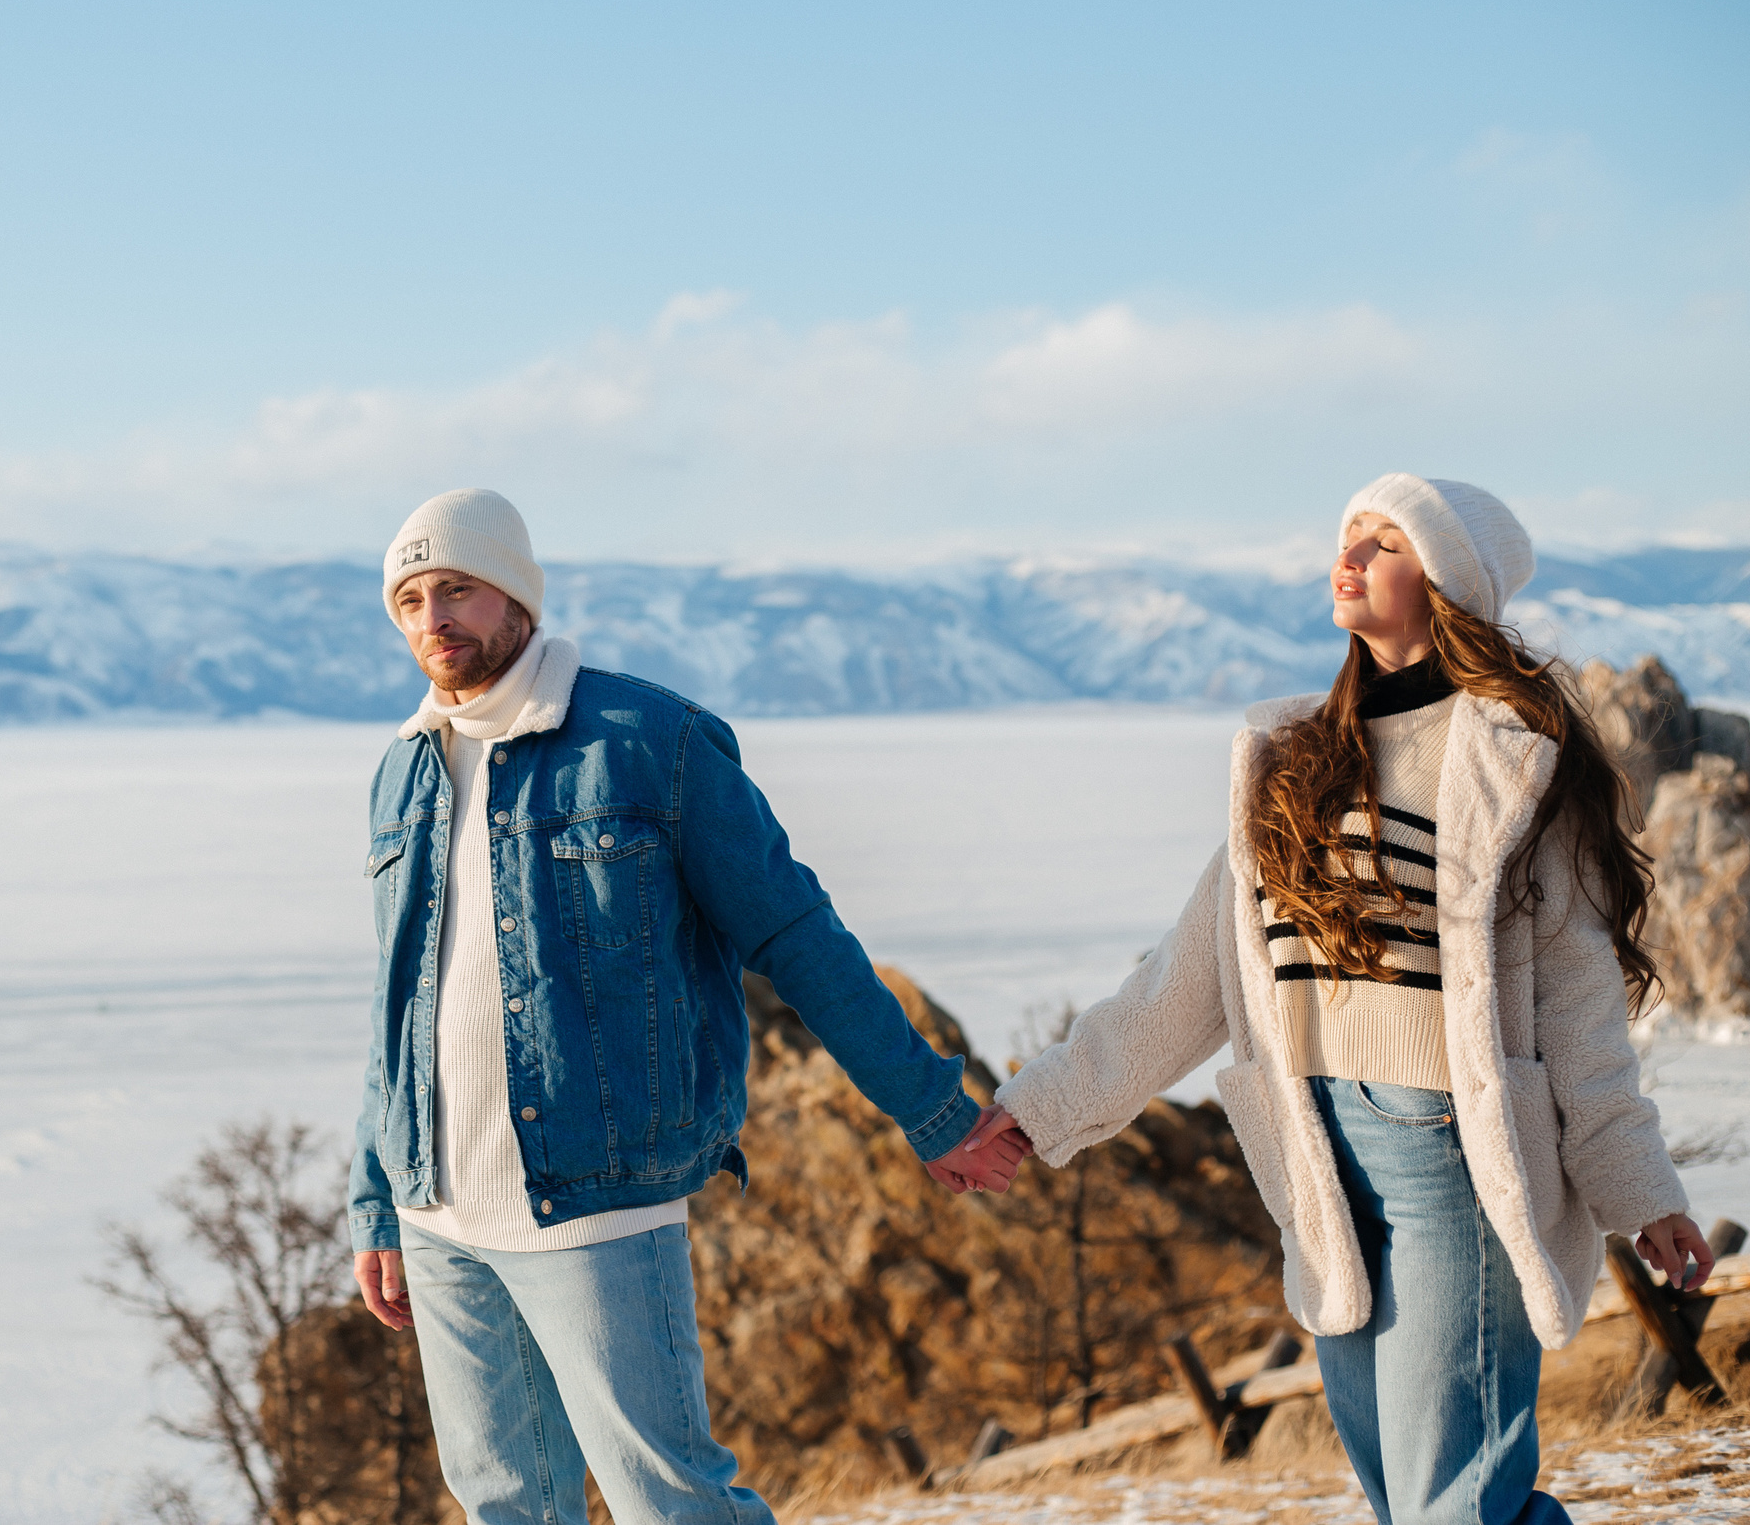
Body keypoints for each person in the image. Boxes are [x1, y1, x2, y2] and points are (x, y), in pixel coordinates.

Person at [986, 474, 1714, 1525]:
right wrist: (1038, 1110)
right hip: (1316, 1158)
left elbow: (1579, 1007)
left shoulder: (1512, 760)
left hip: (1452, 1157)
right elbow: (1181, 982)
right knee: (1407, 1499)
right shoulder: (1287, 763)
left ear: (1447, 583)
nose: (1351, 558)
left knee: (1448, 1502)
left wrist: (1641, 1190)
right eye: (1349, 536)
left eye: (1386, 543)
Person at [346, 487, 1028, 1525]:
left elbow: (795, 936)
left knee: (669, 1500)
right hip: (438, 1213)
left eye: (456, 591)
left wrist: (932, 1112)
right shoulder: (405, 771)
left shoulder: (646, 740)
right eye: (409, 600)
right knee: (504, 1506)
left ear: (515, 595)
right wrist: (377, 1199)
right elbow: (399, 1007)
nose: (432, 620)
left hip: (596, 1201)